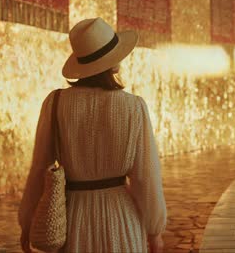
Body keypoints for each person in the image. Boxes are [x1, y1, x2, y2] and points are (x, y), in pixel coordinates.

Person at [18, 17, 167, 253]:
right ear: (114, 62)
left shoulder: (55, 103)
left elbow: (39, 169)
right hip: (121, 219)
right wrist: (155, 231)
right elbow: (145, 177)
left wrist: (27, 221)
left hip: (73, 218)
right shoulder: (134, 107)